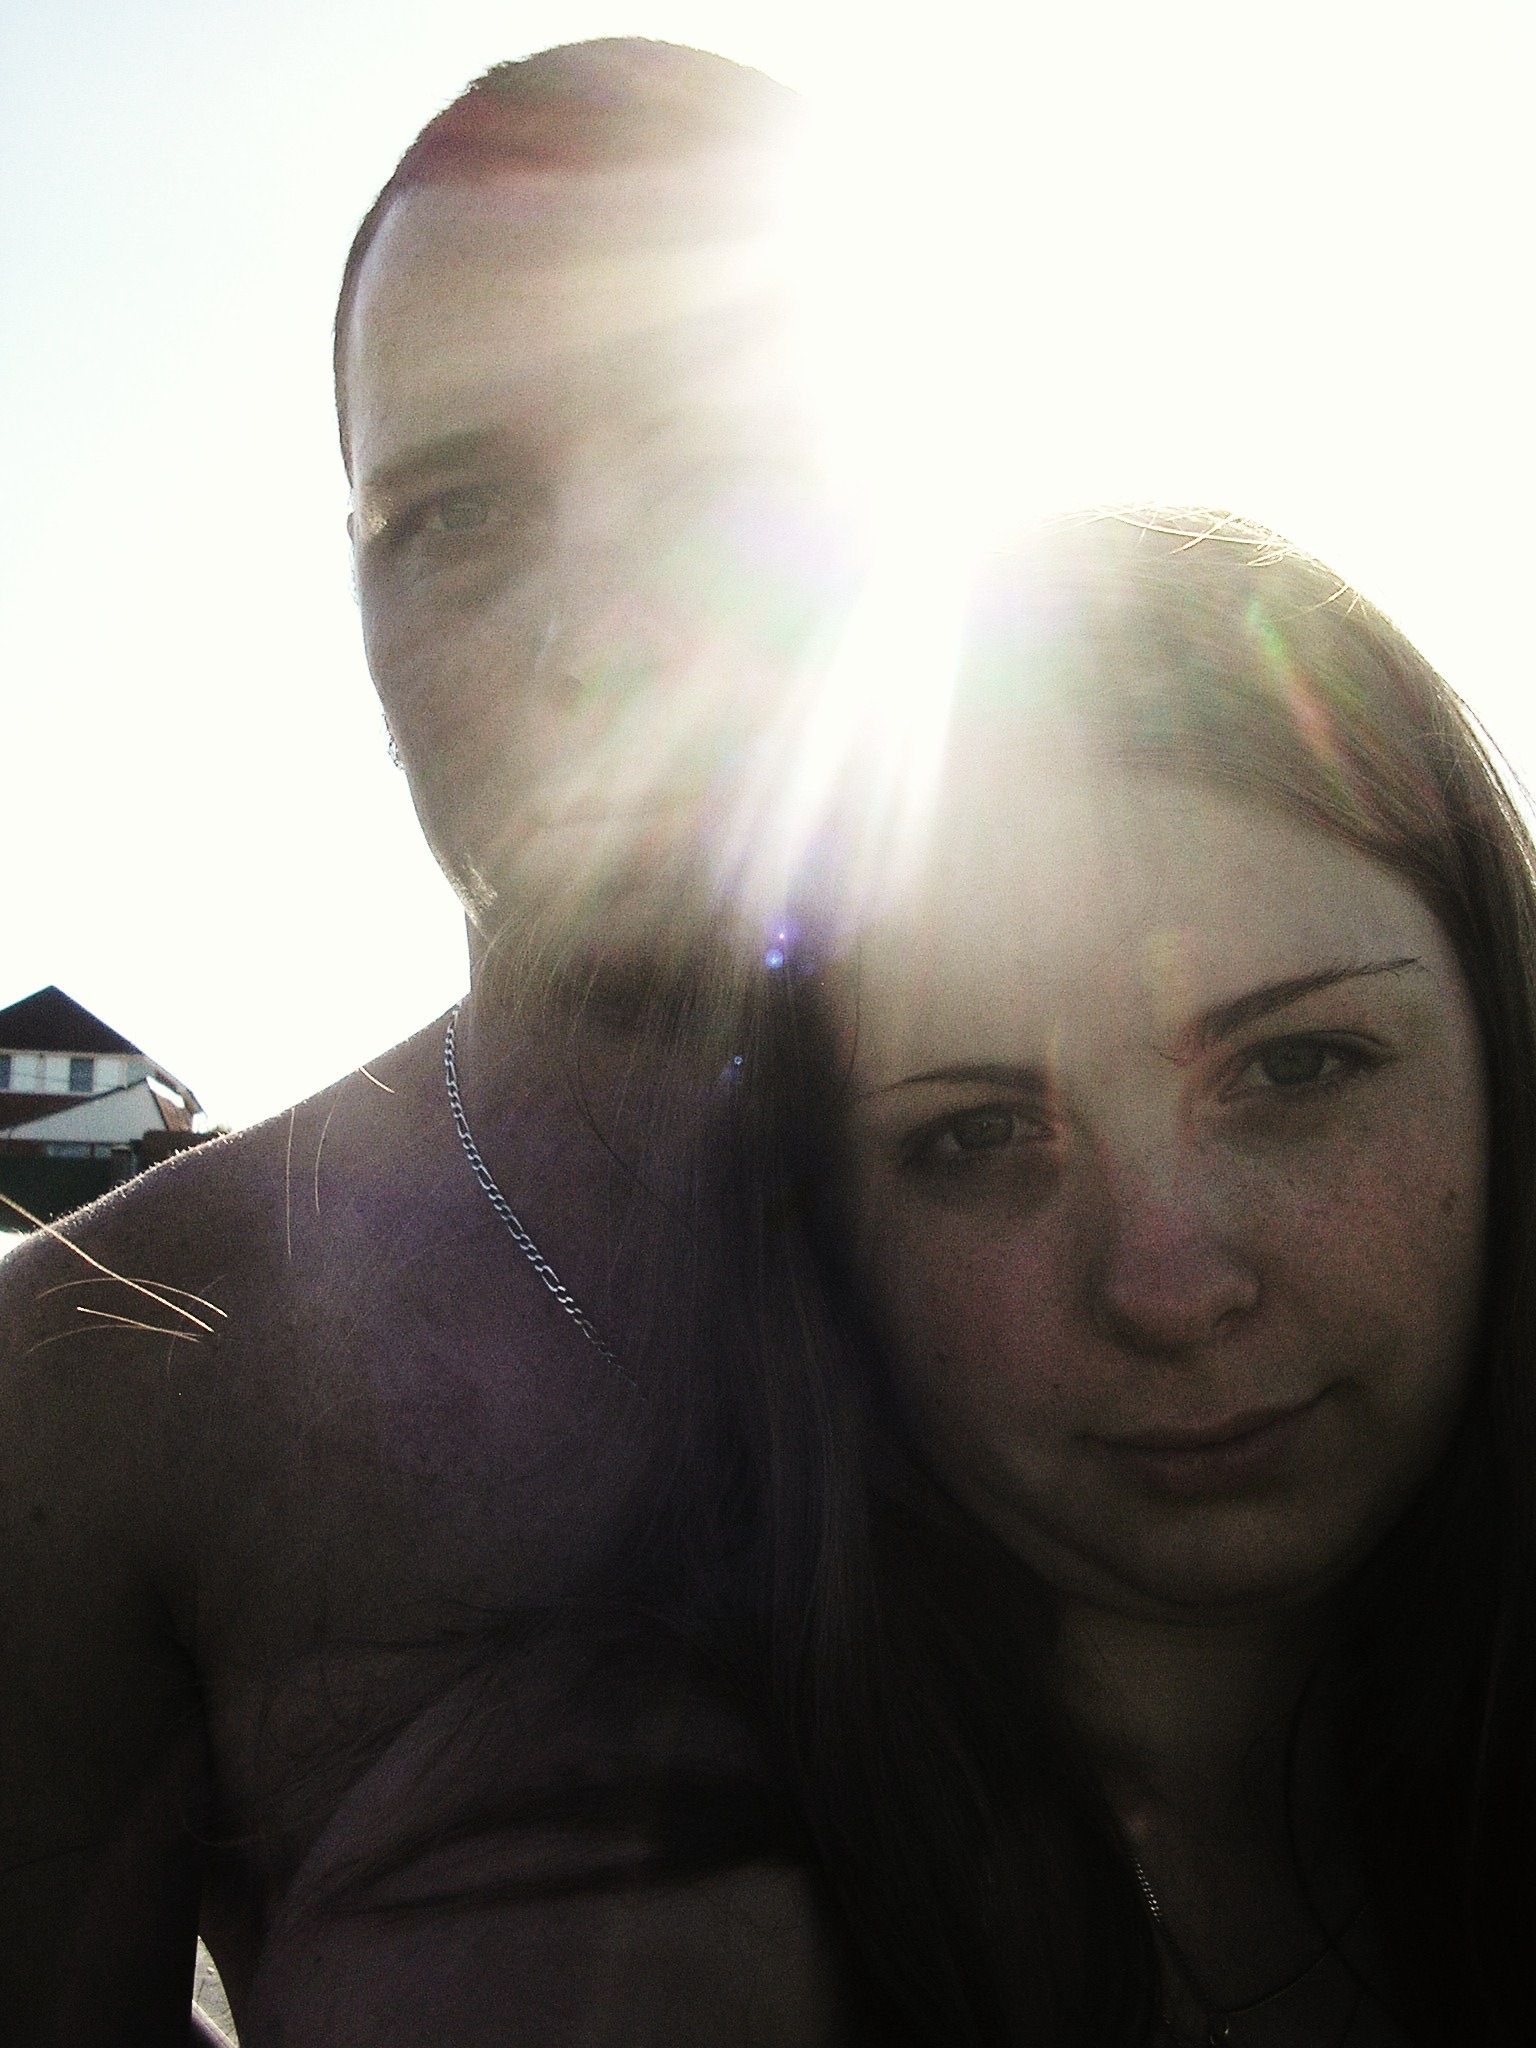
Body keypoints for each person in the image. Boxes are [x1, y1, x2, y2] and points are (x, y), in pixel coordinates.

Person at [0, 40, 866, 2045]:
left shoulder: (1286, 1192)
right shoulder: (114, 1385)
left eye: (726, 473)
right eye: (459, 512)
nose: (602, 626)